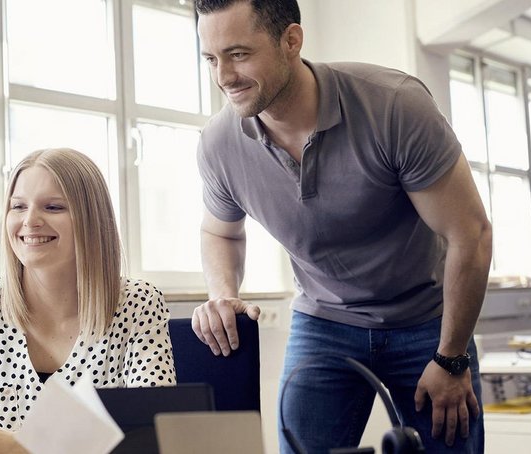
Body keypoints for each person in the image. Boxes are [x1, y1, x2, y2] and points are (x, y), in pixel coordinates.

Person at [190, 1, 492, 453]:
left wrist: (451, 357)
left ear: (291, 41)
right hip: (324, 319)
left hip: (428, 318)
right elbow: (221, 231)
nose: (223, 77)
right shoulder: (219, 144)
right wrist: (222, 293)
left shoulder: (393, 105)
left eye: (238, 54)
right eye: (211, 59)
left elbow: (470, 233)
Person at [0, 148, 176, 453]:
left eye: (53, 207)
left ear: (91, 219)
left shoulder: (138, 302)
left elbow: (153, 428)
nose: (30, 220)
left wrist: (22, 446)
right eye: (18, 206)